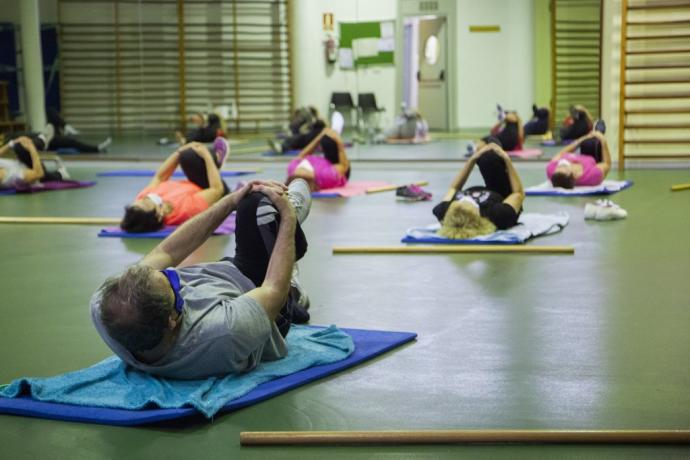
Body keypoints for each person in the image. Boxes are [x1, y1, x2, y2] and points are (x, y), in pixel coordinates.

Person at [90, 178, 312, 379]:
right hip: (260, 295)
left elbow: (166, 253)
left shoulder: (107, 307)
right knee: (258, 206)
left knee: (245, 204)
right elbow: (273, 289)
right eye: (174, 285)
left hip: (227, 275)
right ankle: (292, 290)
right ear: (173, 319)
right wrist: (288, 218)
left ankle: (293, 289)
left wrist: (229, 201)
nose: (177, 278)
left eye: (167, 274)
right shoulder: (224, 332)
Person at [120, 138, 230, 233]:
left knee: (184, 153)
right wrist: (207, 156)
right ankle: (216, 159)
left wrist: (179, 152)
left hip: (192, 182)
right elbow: (216, 189)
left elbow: (160, 177)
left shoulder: (142, 200)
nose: (143, 199)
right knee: (190, 156)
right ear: (158, 215)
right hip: (212, 188)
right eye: (145, 203)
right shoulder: (187, 209)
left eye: (137, 202)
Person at [434, 141, 525, 239]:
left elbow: (454, 188)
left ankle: (486, 145)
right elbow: (518, 193)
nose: (463, 201)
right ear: (476, 215)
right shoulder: (496, 214)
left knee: (486, 153)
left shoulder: (444, 211)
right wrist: (507, 159)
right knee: (490, 157)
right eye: (465, 205)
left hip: (485, 189)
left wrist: (472, 160)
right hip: (502, 192)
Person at [286, 125, 350, 191]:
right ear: (312, 178)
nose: (301, 172)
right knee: (328, 141)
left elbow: (302, 154)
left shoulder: (292, 169)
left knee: (319, 132)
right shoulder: (325, 176)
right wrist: (338, 141)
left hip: (322, 162)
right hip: (335, 162)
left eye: (298, 175)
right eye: (303, 176)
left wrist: (319, 137)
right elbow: (344, 166)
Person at [547, 130, 611, 189]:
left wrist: (580, 140)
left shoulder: (552, 171)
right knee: (590, 143)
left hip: (575, 153)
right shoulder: (592, 175)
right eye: (562, 166)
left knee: (587, 141)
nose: (560, 164)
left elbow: (562, 153)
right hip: (593, 156)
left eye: (557, 167)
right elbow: (607, 164)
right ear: (571, 174)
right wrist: (603, 141)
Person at [0, 135, 69, 189]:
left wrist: (11, 143)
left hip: (21, 163)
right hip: (32, 168)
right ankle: (60, 174)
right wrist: (31, 148)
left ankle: (42, 142)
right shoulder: (11, 176)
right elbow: (39, 173)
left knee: (17, 143)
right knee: (19, 147)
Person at [45, 107, 111, 153]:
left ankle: (66, 127)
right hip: (48, 141)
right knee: (72, 142)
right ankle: (96, 149)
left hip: (51, 136)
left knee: (50, 111)